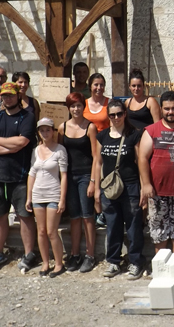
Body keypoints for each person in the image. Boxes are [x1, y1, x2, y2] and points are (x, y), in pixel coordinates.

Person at [0, 82, 37, 272]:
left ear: (17, 96)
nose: (7, 98)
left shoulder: (27, 117)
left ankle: (29, 254)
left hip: (20, 176)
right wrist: (7, 148)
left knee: (24, 216)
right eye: (4, 95)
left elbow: (22, 141)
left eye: (10, 95)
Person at [94, 100, 145, 280]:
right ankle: (114, 261)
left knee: (133, 226)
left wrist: (144, 186)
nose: (116, 118)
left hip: (130, 186)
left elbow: (140, 162)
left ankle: (136, 261)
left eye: (119, 114)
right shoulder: (102, 136)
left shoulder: (134, 135)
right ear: (108, 116)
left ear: (125, 114)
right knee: (113, 225)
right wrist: (95, 187)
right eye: (112, 115)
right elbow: (97, 161)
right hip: (109, 186)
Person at [138, 91, 174, 254]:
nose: (170, 112)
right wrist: (146, 184)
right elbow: (142, 158)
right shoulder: (151, 130)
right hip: (157, 192)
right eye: (167, 109)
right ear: (161, 109)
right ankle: (161, 269)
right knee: (159, 231)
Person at [58, 92, 99, 273]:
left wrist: (92, 181)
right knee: (74, 216)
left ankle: (90, 254)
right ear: (68, 108)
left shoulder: (90, 127)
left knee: (87, 216)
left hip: (85, 175)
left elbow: (96, 156)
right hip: (69, 176)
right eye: (72, 106)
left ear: (84, 107)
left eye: (79, 105)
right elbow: (59, 153)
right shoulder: (62, 128)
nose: (76, 109)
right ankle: (75, 254)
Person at [25, 118, 67, 278]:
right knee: (40, 231)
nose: (45, 133)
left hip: (53, 193)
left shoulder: (60, 150)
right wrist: (29, 197)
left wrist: (62, 199)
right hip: (38, 193)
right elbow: (31, 174)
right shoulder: (36, 150)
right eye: (42, 130)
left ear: (53, 131)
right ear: (38, 132)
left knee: (51, 231)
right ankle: (45, 262)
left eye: (48, 129)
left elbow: (64, 176)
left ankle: (58, 263)